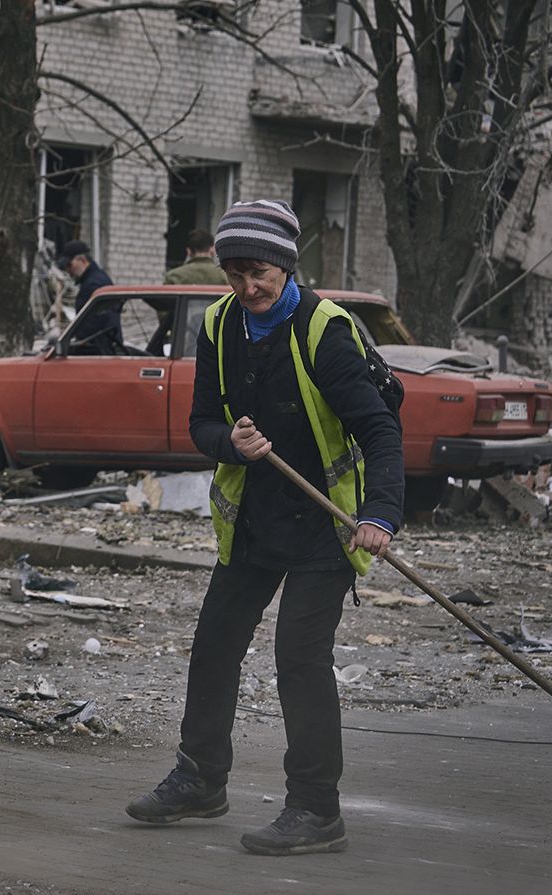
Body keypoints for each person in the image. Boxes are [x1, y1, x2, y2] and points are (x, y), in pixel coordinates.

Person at [124, 199, 403, 857]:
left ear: (286, 263)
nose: (249, 287)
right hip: (253, 517)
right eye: (236, 272)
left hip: (323, 525)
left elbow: (380, 429)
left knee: (298, 659)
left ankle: (316, 809)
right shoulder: (220, 325)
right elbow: (200, 425)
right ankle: (200, 777)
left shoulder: (324, 330)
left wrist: (380, 514)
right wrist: (232, 441)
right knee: (216, 640)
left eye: (261, 272)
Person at [151, 228, 226, 356]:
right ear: (212, 249)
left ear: (189, 252)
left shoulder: (174, 276)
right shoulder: (225, 276)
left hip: (182, 347)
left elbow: (164, 315)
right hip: (219, 342)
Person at [56, 240, 118, 354]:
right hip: (101, 349)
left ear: (82, 260)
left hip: (98, 351)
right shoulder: (95, 280)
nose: (68, 270)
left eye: (69, 265)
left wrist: (73, 336)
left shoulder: (93, 284)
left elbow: (93, 325)